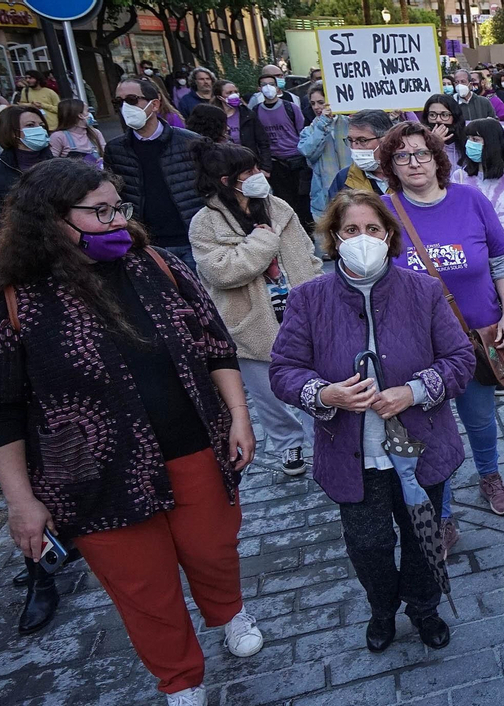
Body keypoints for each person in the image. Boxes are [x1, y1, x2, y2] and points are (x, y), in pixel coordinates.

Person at [0, 159, 264, 706]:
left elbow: (213, 343)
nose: (116, 221)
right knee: (143, 588)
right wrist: (21, 502)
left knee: (212, 550)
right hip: (92, 477)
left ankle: (227, 613)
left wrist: (239, 417)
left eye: (117, 207)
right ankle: (180, 687)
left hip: (192, 446)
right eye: (99, 213)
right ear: (49, 222)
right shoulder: (7, 299)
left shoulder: (155, 264)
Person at [270, 190, 473, 651]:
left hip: (420, 447)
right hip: (351, 454)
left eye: (373, 230)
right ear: (334, 239)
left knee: (424, 539)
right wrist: (326, 393)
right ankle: (382, 609)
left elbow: (460, 358)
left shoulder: (423, 291)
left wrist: (413, 391)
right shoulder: (308, 299)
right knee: (368, 546)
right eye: (351, 230)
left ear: (389, 236)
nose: (363, 239)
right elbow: (283, 371)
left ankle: (424, 608)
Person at [376, 122, 504, 546]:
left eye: (421, 153)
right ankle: (440, 511)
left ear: (438, 159)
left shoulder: (470, 200)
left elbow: (503, 261)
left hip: (475, 339)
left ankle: (490, 475)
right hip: (414, 347)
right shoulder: (383, 211)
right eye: (401, 156)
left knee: (479, 420)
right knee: (428, 430)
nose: (413, 162)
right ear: (391, 166)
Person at [188, 140, 320, 476]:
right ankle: (288, 444)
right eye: (249, 171)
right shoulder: (206, 223)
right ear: (226, 180)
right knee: (269, 395)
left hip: (300, 313)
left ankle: (323, 443)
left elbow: (306, 252)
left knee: (313, 383)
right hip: (251, 323)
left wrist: (320, 290)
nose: (259, 175)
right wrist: (262, 241)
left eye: (257, 167)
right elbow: (221, 271)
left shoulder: (277, 206)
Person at [454, 117, 504, 385]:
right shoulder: (458, 179)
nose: (471, 145)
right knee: (479, 325)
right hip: (471, 268)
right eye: (468, 139)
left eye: (477, 139)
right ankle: (487, 370)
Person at [104, 78, 206, 271]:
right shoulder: (115, 149)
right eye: (119, 102)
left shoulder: (191, 142)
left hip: (191, 239)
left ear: (155, 104)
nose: (125, 107)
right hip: (146, 243)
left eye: (132, 99)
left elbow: (209, 188)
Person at [0, 105, 52, 234]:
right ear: (12, 132)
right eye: (30, 125)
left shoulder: (59, 165)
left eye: (42, 125)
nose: (39, 129)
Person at [253, 73, 313, 228]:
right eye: (264, 84)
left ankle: (306, 230)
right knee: (284, 201)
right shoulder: (256, 111)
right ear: (258, 89)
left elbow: (302, 131)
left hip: (296, 161)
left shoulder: (290, 107)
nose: (268, 87)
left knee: (302, 199)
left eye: (271, 84)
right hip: (275, 163)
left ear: (277, 86)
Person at [297, 83, 351, 222]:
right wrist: (322, 125)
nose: (316, 107)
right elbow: (307, 151)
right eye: (313, 103)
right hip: (324, 201)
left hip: (354, 193)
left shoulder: (350, 124)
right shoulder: (309, 131)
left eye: (320, 102)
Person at [326, 109, 394, 201]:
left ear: (385, 140)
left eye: (362, 140)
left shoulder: (408, 173)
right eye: (350, 140)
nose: (354, 147)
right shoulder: (343, 178)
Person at [216, 81, 272, 166]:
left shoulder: (248, 114)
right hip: (225, 164)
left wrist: (266, 166)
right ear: (219, 97)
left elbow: (263, 141)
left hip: (249, 162)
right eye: (229, 93)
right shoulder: (214, 117)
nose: (234, 95)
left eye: (236, 92)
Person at [49, 99, 106, 168]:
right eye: (87, 111)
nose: (90, 114)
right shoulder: (58, 136)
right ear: (80, 115)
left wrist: (103, 160)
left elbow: (106, 154)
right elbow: (51, 164)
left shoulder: (96, 133)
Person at [421, 93, 463, 168]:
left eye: (444, 115)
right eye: (432, 115)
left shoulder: (465, 140)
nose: (438, 120)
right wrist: (434, 144)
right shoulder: (420, 140)